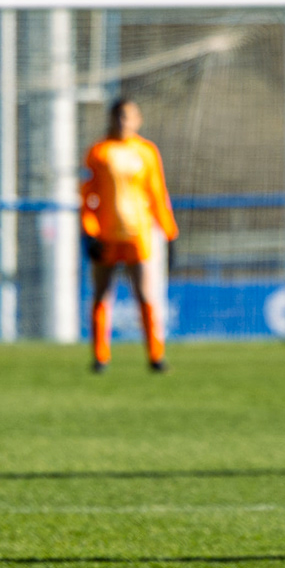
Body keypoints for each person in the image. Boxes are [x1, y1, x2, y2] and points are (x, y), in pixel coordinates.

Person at [81, 97, 179, 373]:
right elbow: (87, 197)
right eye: (119, 117)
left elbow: (157, 195)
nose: (123, 122)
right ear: (111, 119)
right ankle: (101, 357)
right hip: (107, 235)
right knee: (101, 295)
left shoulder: (146, 152)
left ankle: (155, 356)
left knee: (146, 294)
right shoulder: (99, 152)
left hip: (138, 235)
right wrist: (89, 232)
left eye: (129, 117)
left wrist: (170, 233)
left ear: (138, 120)